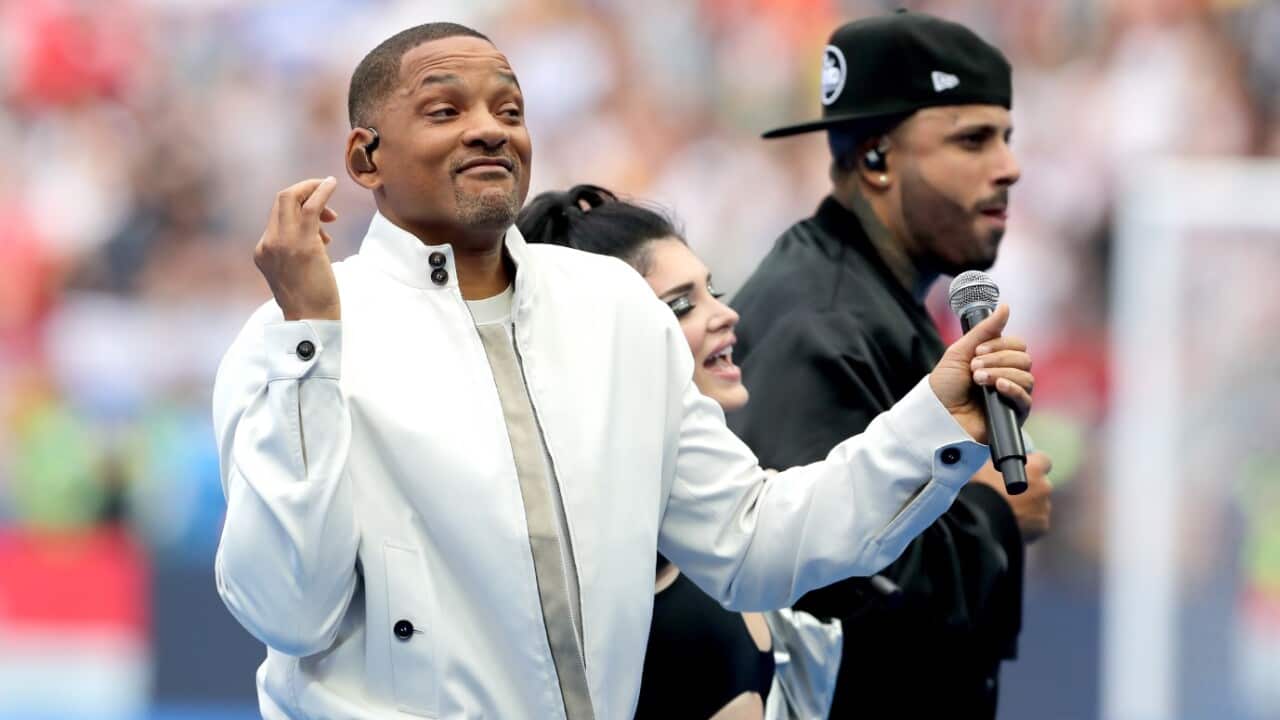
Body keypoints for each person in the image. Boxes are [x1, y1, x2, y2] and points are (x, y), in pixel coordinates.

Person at [212, 22, 1038, 719]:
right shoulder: (296, 338)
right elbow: (289, 607)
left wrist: (933, 419)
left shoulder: (610, 308)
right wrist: (310, 342)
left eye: (510, 109)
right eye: (445, 109)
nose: (491, 128)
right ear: (365, 159)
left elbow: (753, 539)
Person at [727, 10, 1055, 718]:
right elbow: (811, 582)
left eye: (1006, 137)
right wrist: (997, 518)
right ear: (876, 159)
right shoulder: (820, 322)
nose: (1009, 166)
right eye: (973, 139)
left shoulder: (864, 297)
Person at [518, 184, 842, 719]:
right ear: (605, 340)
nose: (725, 314)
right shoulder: (601, 575)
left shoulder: (721, 520)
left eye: (712, 290)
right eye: (684, 305)